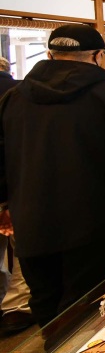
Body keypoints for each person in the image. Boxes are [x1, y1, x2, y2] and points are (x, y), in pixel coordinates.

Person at [0, 25, 105, 327]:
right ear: (98, 56)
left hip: (30, 217)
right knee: (84, 301)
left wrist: (4, 204)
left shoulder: (14, 98)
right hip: (90, 215)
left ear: (49, 55)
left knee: (43, 299)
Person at [0, 56, 31, 335]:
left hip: (9, 186)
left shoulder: (17, 96)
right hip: (20, 185)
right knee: (18, 249)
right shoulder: (21, 94)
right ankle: (16, 306)